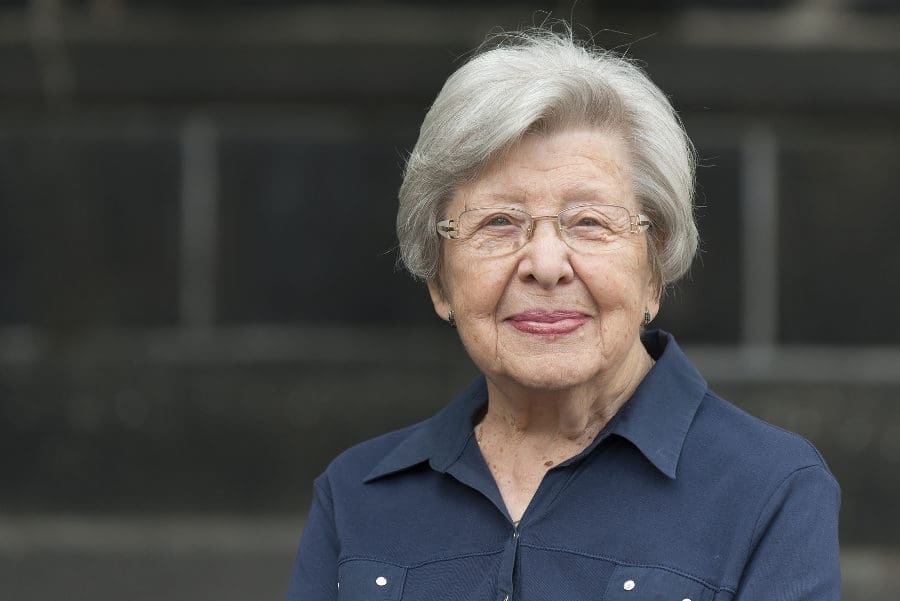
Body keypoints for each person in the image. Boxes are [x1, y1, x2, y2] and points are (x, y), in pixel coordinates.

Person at [287, 26, 840, 601]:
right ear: (439, 280)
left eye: (589, 222)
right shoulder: (356, 497)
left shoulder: (769, 489)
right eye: (498, 222)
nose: (546, 265)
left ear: (654, 269)